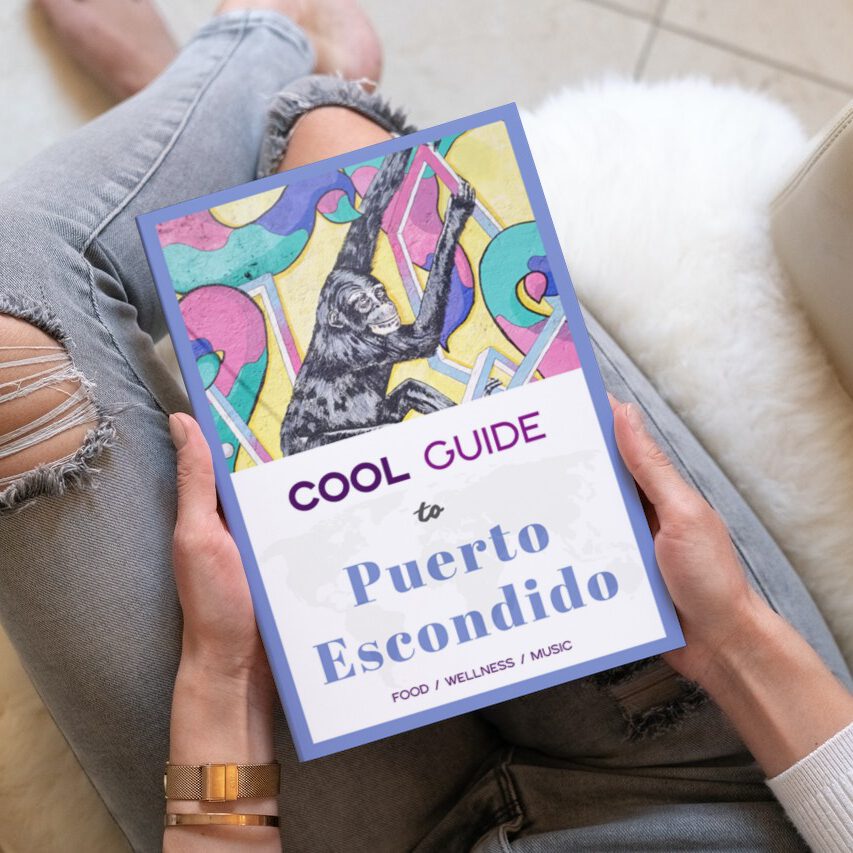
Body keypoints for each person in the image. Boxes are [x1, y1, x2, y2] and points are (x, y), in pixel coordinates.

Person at [0, 1, 850, 851]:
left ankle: (222, 92)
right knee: (337, 151)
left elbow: (409, 331)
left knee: (12, 338)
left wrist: (224, 676)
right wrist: (734, 632)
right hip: (711, 768)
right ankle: (273, 63)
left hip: (370, 834)